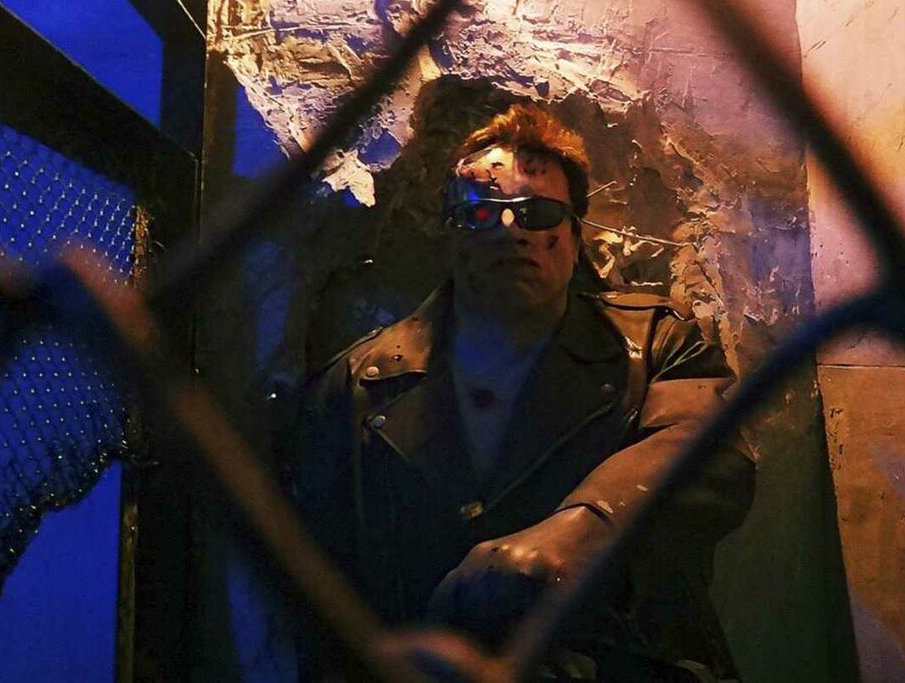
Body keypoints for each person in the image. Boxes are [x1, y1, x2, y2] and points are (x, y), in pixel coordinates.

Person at [290, 104, 755, 681]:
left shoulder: (659, 344)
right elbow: (314, 579)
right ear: (448, 237)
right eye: (482, 212)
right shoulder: (355, 384)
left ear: (575, 235)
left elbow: (714, 453)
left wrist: (583, 528)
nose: (512, 230)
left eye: (538, 213)